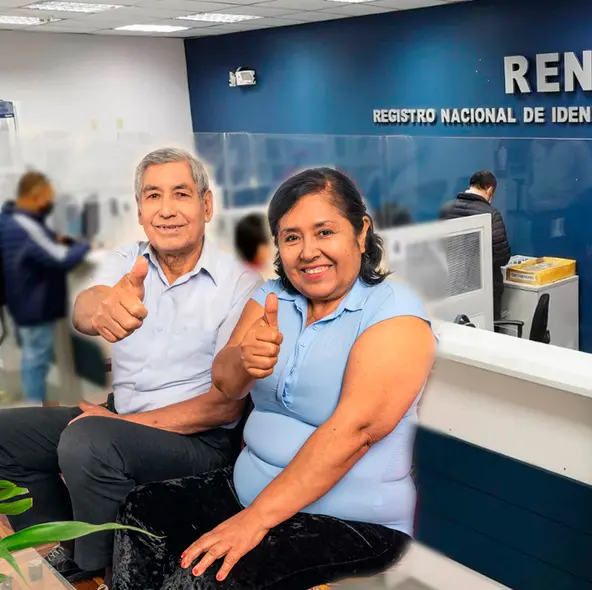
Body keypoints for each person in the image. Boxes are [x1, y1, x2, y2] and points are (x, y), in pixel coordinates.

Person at [112, 167, 437, 589]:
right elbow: (225, 384)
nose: (308, 251)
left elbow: (354, 432)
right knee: (141, 513)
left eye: (325, 232)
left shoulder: (395, 314)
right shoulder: (271, 297)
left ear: (360, 233)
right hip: (247, 487)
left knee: (205, 580)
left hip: (353, 519)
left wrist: (254, 520)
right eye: (292, 237)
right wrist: (243, 359)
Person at [0, 148, 262, 581]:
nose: (166, 209)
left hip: (199, 440)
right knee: (7, 436)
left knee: (87, 440)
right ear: (140, 210)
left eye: (181, 193)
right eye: (152, 196)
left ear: (206, 204)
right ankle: (68, 542)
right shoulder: (128, 261)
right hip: (119, 418)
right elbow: (89, 303)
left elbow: (224, 408)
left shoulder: (241, 284)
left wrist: (118, 425)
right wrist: (100, 310)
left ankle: (113, 571)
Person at [0, 171, 90, 403]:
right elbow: (62, 260)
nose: (50, 202)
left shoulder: (11, 219)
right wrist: (84, 246)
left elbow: (43, 241)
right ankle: (36, 407)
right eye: (47, 197)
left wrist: (56, 239)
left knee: (33, 355)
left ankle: (37, 403)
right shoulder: (24, 227)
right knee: (36, 357)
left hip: (22, 298)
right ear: (35, 195)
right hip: (34, 302)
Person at [440, 170, 510, 320]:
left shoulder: (447, 209)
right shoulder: (491, 214)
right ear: (490, 189)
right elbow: (502, 257)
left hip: (453, 285)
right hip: (484, 288)